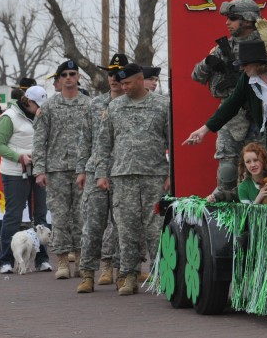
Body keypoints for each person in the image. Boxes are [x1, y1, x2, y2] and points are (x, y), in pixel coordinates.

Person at [94, 63, 170, 296]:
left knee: (156, 229)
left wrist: (170, 174)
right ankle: (128, 276)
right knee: (126, 229)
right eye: (121, 83)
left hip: (154, 175)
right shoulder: (115, 107)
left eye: (127, 83)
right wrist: (101, 173)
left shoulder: (162, 104)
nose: (123, 87)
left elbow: (172, 141)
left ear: (140, 80)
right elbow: (104, 143)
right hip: (122, 176)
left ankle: (162, 276)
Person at [186, 40, 267, 164]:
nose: (242, 68)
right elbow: (231, 104)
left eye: (245, 64)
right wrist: (204, 130)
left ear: (259, 63)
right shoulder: (247, 80)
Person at [190, 0, 264, 202]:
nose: (227, 22)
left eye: (232, 18)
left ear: (248, 20)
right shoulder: (223, 48)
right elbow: (196, 76)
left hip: (260, 115)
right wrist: (208, 63)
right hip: (229, 117)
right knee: (227, 170)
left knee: (260, 170)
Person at [33, 59, 90, 279]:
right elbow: (40, 140)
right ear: (59, 79)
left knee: (82, 215)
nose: (68, 78)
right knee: (59, 216)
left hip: (82, 169)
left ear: (78, 78)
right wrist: (39, 169)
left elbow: (97, 138)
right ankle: (63, 261)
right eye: (64, 74)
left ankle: (82, 260)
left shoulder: (88, 104)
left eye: (72, 74)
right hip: (56, 170)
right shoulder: (48, 107)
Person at [76, 53, 128, 293]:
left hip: (122, 170)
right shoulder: (95, 104)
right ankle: (87, 273)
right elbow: (84, 139)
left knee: (121, 226)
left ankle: (118, 271)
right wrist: (81, 170)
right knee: (93, 225)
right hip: (95, 169)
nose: (114, 79)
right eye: (111, 74)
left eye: (119, 74)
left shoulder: (133, 103)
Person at [0, 86, 52, 274]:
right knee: (13, 217)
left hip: (38, 171)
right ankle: (6, 261)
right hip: (14, 173)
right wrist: (20, 157)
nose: (40, 109)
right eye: (37, 105)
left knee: (41, 215)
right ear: (28, 101)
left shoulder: (41, 116)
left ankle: (42, 259)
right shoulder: (9, 117)